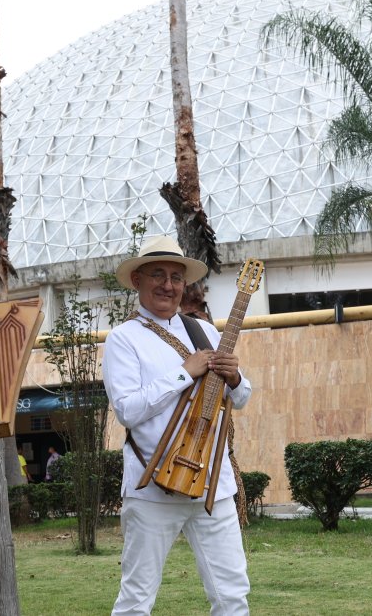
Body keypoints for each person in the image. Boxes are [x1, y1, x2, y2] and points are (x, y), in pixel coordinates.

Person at [103, 235, 253, 615]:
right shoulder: (124, 339)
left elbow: (241, 397)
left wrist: (236, 379)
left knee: (232, 595)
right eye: (157, 275)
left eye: (175, 276)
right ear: (137, 280)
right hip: (153, 487)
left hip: (212, 487)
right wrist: (183, 373)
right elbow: (127, 410)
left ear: (185, 284)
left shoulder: (205, 331)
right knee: (137, 599)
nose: (167, 285)